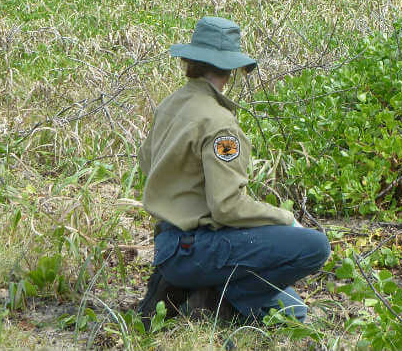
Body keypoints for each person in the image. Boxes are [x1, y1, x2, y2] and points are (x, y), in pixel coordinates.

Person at [137, 16, 330, 330]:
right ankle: (217, 300)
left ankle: (194, 288)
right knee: (314, 247)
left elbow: (147, 162)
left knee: (291, 308)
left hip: (168, 245)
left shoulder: (170, 105)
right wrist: (286, 219)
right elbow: (227, 207)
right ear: (231, 70)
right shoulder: (220, 124)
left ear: (192, 60)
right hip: (193, 250)